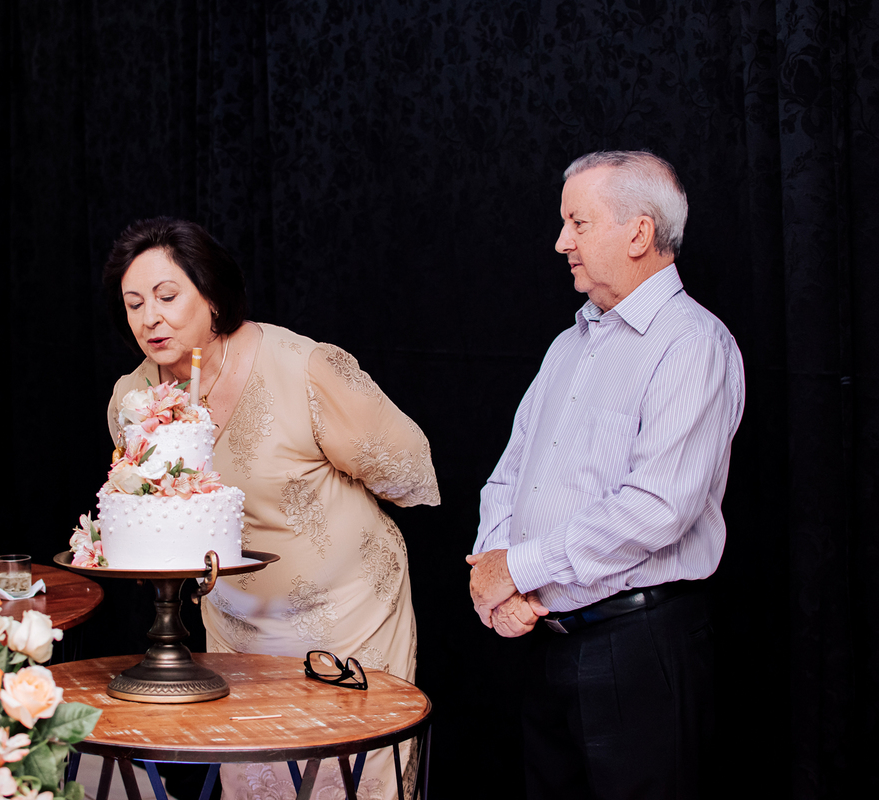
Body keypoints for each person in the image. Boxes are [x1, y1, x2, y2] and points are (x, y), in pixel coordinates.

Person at [104, 217, 440, 800]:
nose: (149, 318)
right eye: (134, 304)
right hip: (236, 630)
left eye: (166, 296)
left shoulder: (304, 368)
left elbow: (406, 466)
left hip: (349, 618)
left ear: (212, 297)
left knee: (349, 782)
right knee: (258, 782)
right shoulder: (132, 399)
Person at [467, 151, 744, 799]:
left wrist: (518, 568)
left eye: (578, 223)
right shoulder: (569, 346)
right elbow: (510, 476)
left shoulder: (691, 344)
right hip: (549, 643)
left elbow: (656, 508)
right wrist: (498, 580)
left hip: (638, 651)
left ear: (638, 233)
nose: (561, 242)